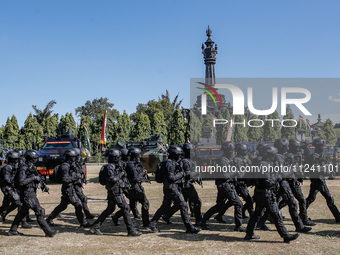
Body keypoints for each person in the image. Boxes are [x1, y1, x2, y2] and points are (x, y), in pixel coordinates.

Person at [244, 145, 300, 243]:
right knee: (276, 215)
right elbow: (268, 182)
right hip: (266, 194)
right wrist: (279, 177)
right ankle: (286, 236)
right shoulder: (264, 165)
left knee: (256, 215)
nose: (274, 157)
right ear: (269, 155)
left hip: (261, 194)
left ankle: (249, 234)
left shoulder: (262, 164)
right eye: (273, 155)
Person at [89, 148, 141, 236]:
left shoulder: (114, 166)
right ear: (113, 158)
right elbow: (112, 179)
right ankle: (131, 230)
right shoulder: (109, 167)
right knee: (125, 208)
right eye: (117, 157)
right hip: (114, 191)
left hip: (115, 190)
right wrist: (122, 174)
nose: (119, 159)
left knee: (110, 209)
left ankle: (95, 227)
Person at [148, 145, 200, 234]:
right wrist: (181, 174)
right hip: (172, 188)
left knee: (165, 207)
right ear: (174, 155)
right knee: (183, 205)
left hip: (171, 188)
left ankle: (152, 225)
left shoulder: (172, 162)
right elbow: (171, 178)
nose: (180, 157)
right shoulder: (169, 163)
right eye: (178, 155)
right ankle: (189, 228)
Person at [8, 150, 58, 237]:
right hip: (28, 194)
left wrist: (42, 185)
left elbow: (37, 177)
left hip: (31, 193)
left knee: (22, 213)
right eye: (35, 158)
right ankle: (48, 232)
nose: (36, 159)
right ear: (31, 159)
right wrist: (33, 178)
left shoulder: (31, 167)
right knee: (39, 211)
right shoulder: (23, 168)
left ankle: (12, 230)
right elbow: (20, 182)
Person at [199, 142, 245, 232]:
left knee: (219, 207)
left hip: (225, 185)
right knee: (238, 204)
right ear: (227, 151)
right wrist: (235, 172)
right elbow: (224, 175)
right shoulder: (222, 161)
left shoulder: (227, 160)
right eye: (231, 151)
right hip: (225, 185)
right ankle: (239, 226)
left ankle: (203, 220)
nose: (233, 152)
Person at [46, 149, 92, 228]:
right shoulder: (65, 166)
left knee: (62, 206)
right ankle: (83, 223)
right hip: (68, 189)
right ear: (69, 157)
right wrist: (75, 177)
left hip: (71, 188)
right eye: (73, 157)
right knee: (78, 205)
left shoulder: (71, 165)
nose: (74, 159)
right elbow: (65, 179)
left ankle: (49, 219)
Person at [162, 143, 203, 226]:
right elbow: (187, 174)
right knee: (197, 201)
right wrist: (197, 173)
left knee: (179, 204)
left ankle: (167, 215)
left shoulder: (187, 160)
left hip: (184, 185)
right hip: (186, 186)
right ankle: (198, 220)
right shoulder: (185, 161)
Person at [113, 147, 150, 228]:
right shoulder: (131, 165)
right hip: (135, 187)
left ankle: (116, 216)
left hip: (131, 188)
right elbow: (135, 178)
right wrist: (143, 173)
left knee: (131, 205)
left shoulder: (130, 164)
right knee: (145, 203)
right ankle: (146, 223)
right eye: (138, 155)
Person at [306, 138, 340, 222]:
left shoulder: (321, 155)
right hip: (318, 180)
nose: (322, 148)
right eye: (320, 146)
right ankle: (338, 217)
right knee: (329, 197)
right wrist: (326, 169)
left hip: (319, 179)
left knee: (311, 198)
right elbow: (314, 169)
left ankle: (301, 214)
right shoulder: (314, 156)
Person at [73, 148, 97, 219]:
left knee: (83, 199)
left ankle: (87, 214)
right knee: (64, 204)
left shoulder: (77, 164)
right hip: (72, 186)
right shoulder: (71, 165)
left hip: (77, 185)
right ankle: (84, 220)